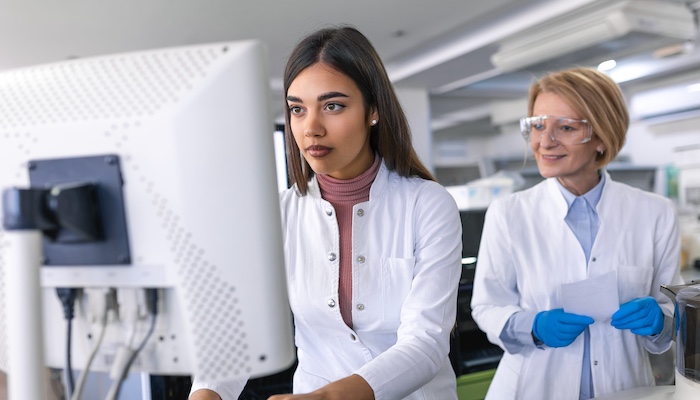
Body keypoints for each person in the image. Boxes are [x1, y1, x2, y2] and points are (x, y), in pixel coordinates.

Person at [189, 25, 462, 400]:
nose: (311, 128)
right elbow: (238, 332)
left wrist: (328, 398)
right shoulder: (279, 216)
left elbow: (427, 342)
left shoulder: (427, 204)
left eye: (333, 106)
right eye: (297, 109)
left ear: (374, 111)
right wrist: (207, 392)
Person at [470, 67, 683, 400]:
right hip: (532, 388)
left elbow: (668, 317)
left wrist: (662, 321)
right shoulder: (509, 213)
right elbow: (486, 306)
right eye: (538, 126)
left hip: (625, 388)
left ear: (602, 137)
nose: (545, 141)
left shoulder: (655, 213)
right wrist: (534, 326)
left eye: (565, 127)